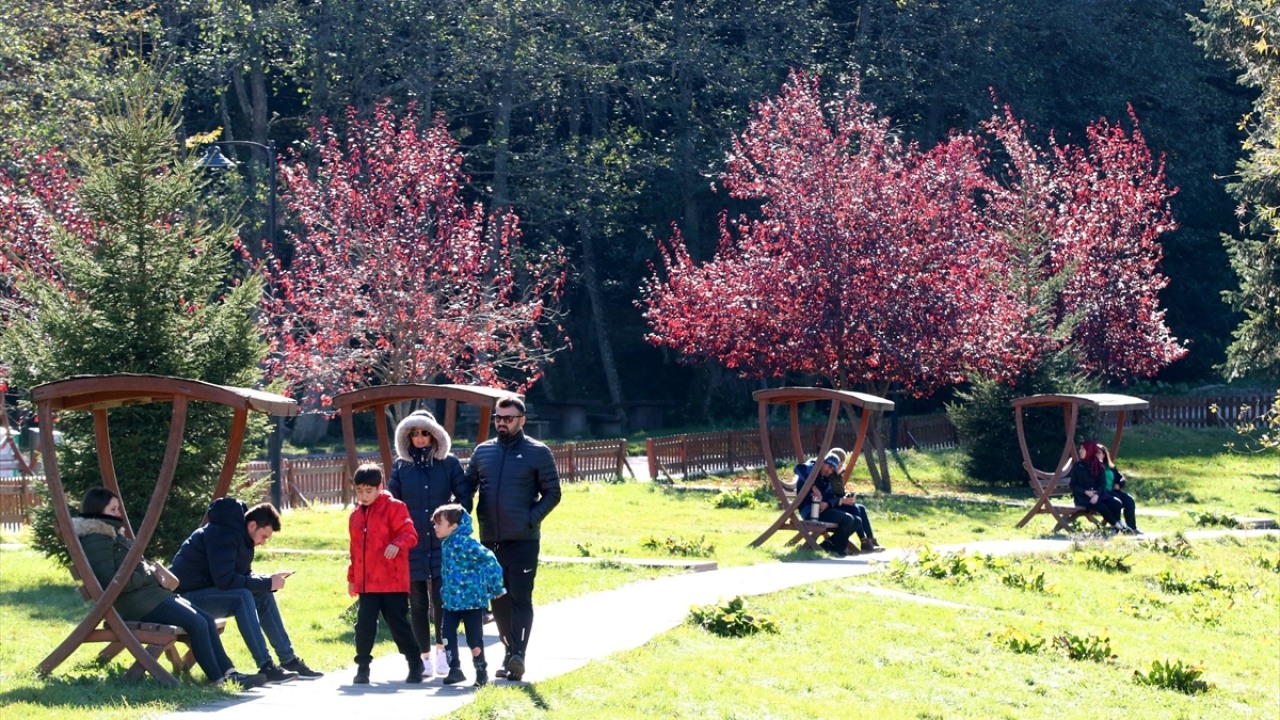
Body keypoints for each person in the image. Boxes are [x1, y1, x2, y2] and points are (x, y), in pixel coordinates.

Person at [73, 487, 265, 688]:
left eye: (118, 508)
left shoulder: (111, 535)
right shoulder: (97, 538)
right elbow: (108, 581)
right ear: (97, 510)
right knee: (197, 624)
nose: (118, 513)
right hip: (137, 603)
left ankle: (230, 673)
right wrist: (144, 574)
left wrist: (146, 573)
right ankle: (218, 679)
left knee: (206, 620)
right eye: (113, 509)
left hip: (151, 596)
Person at [170, 497, 322, 681]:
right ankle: (266, 665)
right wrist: (268, 583)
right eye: (264, 536)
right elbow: (225, 580)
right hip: (182, 600)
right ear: (252, 525)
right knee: (242, 597)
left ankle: (288, 660)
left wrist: (268, 581)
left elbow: (242, 576)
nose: (263, 542)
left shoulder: (241, 536)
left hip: (202, 593)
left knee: (263, 594)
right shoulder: (224, 534)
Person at [465, 394, 561, 682]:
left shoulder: (538, 452)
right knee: (499, 600)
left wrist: (529, 519)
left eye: (508, 418)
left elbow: (553, 493)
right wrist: (457, 516)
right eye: (498, 417)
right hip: (489, 541)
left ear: (522, 420)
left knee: (520, 598)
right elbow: (467, 488)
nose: (502, 422)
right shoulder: (483, 452)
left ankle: (519, 654)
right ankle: (509, 654)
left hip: (523, 540)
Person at [389, 409, 470, 678]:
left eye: (425, 432)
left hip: (441, 542)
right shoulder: (401, 466)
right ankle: (423, 657)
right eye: (414, 433)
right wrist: (399, 533)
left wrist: (451, 524)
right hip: (413, 543)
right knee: (418, 604)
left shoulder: (449, 463)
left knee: (442, 601)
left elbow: (464, 498)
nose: (420, 438)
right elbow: (392, 504)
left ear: (434, 434)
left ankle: (442, 652)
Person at [347, 463, 423, 685]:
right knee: (364, 624)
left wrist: (397, 544)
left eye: (368, 491)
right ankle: (362, 667)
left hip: (392, 581)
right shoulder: (355, 516)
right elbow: (354, 550)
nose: (364, 496)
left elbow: (410, 534)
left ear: (380, 487)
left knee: (397, 624)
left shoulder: (395, 508)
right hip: (367, 583)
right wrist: (352, 578)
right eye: (359, 491)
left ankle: (414, 662)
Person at [432, 503, 506, 687]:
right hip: (451, 602)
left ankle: (481, 671)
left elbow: (489, 559)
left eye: (439, 524)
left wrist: (496, 587)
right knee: (446, 634)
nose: (435, 527)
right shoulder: (447, 544)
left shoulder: (467, 543)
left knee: (474, 638)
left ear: (453, 526)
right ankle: (454, 669)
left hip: (471, 601)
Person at [794, 450, 884, 555]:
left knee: (857, 521)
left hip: (823, 510)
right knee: (848, 519)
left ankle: (828, 545)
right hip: (809, 510)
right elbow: (798, 468)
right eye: (829, 467)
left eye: (832, 469)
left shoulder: (825, 479)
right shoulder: (812, 469)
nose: (829, 471)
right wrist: (812, 486)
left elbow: (831, 496)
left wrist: (828, 504)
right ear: (822, 462)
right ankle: (839, 550)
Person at [1069, 440, 1138, 534]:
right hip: (1083, 497)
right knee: (1102, 506)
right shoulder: (1078, 466)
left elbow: (1102, 483)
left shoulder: (1098, 465)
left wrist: (1097, 495)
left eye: (1083, 449)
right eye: (1080, 448)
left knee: (1116, 502)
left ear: (1089, 450)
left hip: (1098, 495)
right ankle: (1118, 526)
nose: (1080, 451)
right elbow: (1073, 485)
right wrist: (1086, 492)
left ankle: (1120, 524)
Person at [1098, 444, 1141, 534]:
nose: (1096, 455)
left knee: (1129, 500)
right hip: (1102, 493)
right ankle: (1118, 526)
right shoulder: (1093, 467)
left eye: (1099, 453)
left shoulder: (1110, 467)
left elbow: (1122, 478)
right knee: (1116, 501)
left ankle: (1132, 527)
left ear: (1104, 455)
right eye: (1094, 453)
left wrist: (1119, 484)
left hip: (1114, 491)